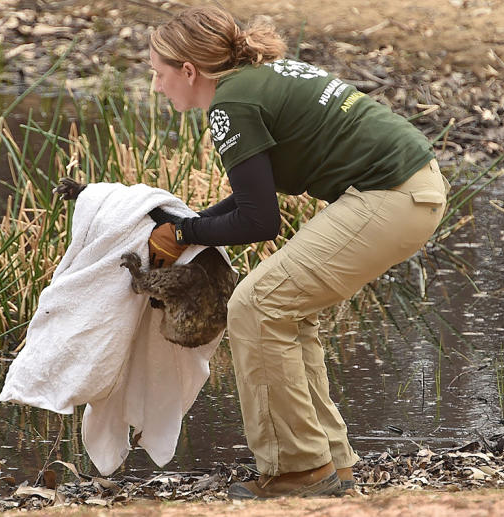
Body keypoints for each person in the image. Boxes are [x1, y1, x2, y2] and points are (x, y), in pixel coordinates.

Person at [144, 6, 450, 499]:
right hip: (409, 190)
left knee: (256, 307)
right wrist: (187, 227)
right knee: (285, 312)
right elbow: (254, 197)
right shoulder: (252, 80)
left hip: (390, 196)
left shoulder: (231, 105)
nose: (156, 87)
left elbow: (260, 222)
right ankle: (328, 462)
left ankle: (297, 470)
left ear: (188, 70)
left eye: (159, 75)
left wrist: (183, 236)